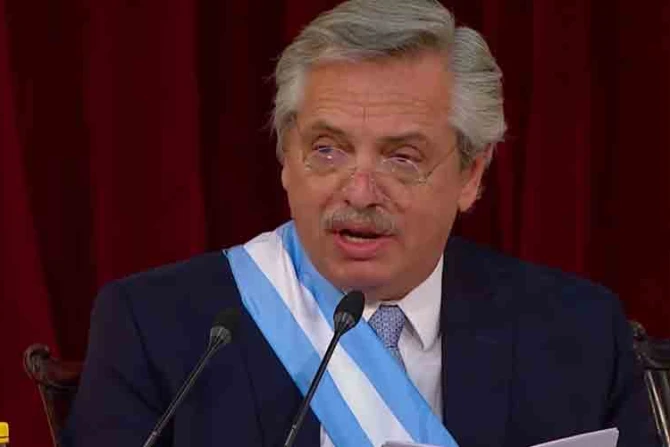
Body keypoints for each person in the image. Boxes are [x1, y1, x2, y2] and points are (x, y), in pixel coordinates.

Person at [61, 1, 660, 446]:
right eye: (327, 149)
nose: (359, 191)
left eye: (403, 157)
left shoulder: (577, 332)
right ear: (286, 156)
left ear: (471, 174)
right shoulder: (159, 329)